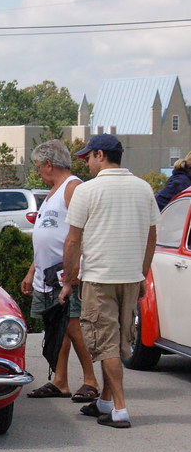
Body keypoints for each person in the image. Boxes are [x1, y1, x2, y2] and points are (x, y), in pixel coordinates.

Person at [58, 134, 160, 429]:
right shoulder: (143, 188)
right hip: (130, 277)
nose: (86, 163)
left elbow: (73, 241)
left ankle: (120, 408)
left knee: (106, 345)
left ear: (100, 155)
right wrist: (142, 273)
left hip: (99, 277)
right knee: (116, 341)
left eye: (88, 157)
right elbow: (151, 237)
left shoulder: (87, 191)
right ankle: (104, 401)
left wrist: (69, 280)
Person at [21, 139, 99, 401]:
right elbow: (48, 235)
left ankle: (90, 381)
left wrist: (73, 271)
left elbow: (84, 232)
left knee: (73, 326)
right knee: (58, 328)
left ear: (48, 163)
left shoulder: (73, 188)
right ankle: (60, 380)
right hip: (47, 274)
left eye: (38, 166)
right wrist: (32, 271)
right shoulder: (53, 191)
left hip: (65, 274)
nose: (38, 172)